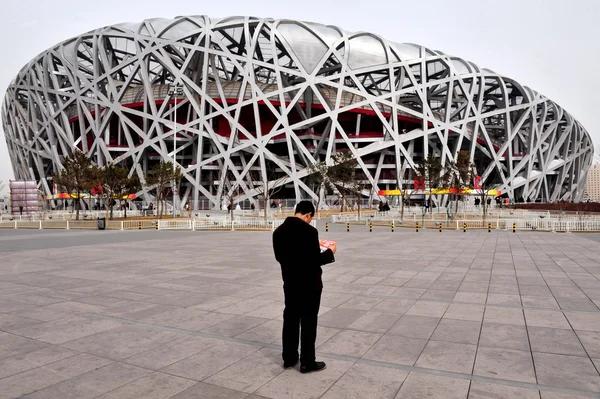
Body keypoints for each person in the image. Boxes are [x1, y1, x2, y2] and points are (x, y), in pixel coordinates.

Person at [272, 201, 336, 374]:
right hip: (309, 285)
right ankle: (307, 362)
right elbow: (313, 260)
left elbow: (280, 257)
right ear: (308, 214)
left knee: (291, 319)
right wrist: (330, 252)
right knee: (308, 322)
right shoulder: (309, 231)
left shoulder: (278, 232)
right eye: (310, 218)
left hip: (290, 283)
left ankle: (289, 358)